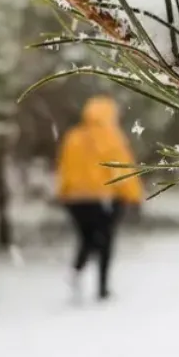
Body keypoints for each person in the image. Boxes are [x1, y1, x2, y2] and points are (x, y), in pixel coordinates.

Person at [54, 95, 144, 301]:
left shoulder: (73, 137)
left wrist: (63, 193)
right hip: (102, 199)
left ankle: (77, 272)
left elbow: (64, 168)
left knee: (87, 239)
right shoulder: (111, 137)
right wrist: (132, 196)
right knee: (104, 241)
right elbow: (123, 170)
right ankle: (102, 287)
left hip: (75, 200)